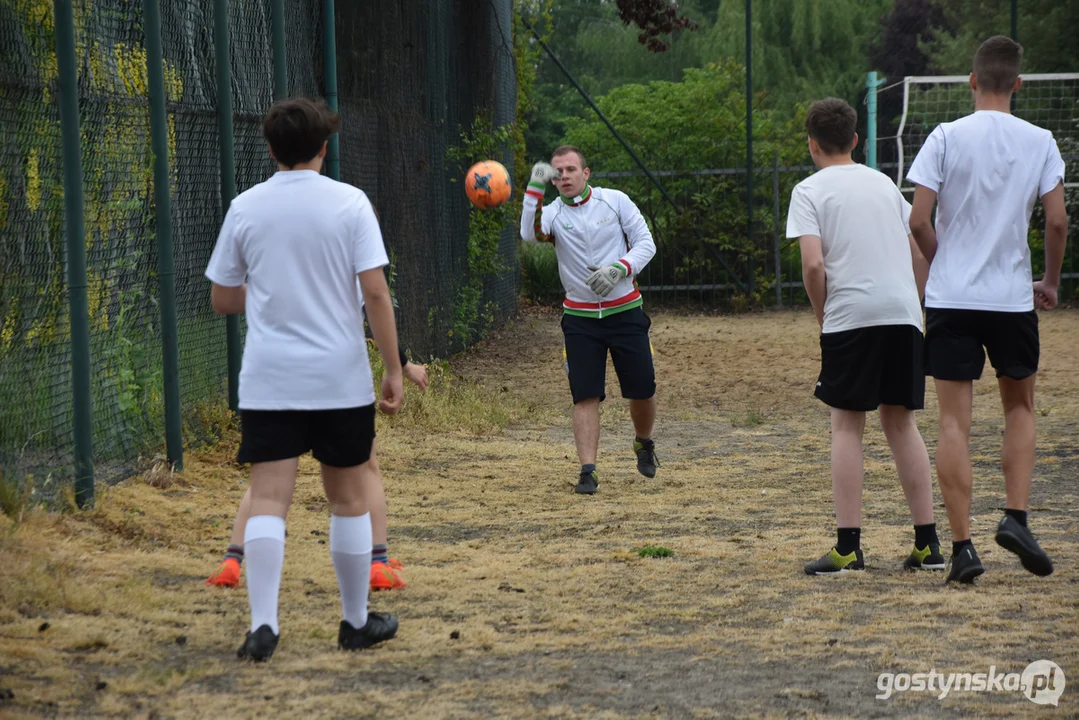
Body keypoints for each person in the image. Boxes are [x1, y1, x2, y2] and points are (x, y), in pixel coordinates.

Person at [205, 97, 402, 661]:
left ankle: (263, 627)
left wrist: (269, 292)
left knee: (268, 497)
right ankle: (355, 622)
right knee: (347, 499)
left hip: (269, 380)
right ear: (324, 146)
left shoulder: (246, 207)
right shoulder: (350, 204)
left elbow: (222, 298)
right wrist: (392, 368)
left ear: (269, 149)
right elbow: (375, 293)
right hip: (338, 380)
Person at [907, 36, 1067, 584]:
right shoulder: (1042, 140)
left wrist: (943, 262)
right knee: (1020, 409)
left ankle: (961, 549)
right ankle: (1017, 518)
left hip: (952, 298)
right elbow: (1058, 222)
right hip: (1011, 298)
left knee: (954, 421)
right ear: (1018, 85)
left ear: (971, 81)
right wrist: (1047, 279)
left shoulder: (945, 136)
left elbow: (918, 220)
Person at [787, 98, 942, 576]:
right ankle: (928, 545)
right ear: (856, 140)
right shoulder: (884, 185)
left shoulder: (808, 191)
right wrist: (910, 305)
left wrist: (823, 315)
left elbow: (813, 264)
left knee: (846, 425)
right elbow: (920, 252)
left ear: (812, 144)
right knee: (902, 424)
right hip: (902, 315)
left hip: (850, 316)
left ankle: (849, 547)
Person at [206, 350, 428, 592]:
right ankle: (378, 563)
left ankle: (232, 560)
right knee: (365, 468)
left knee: (267, 483)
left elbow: (226, 309)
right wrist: (402, 366)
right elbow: (373, 312)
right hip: (336, 376)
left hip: (281, 372)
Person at [520, 146, 659, 495]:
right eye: (557, 173)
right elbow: (530, 234)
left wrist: (619, 268)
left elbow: (646, 243)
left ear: (587, 173)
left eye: (570, 170)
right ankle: (588, 471)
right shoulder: (552, 213)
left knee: (642, 389)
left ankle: (643, 442)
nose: (563, 177)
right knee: (585, 395)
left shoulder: (615, 201)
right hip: (580, 318)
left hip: (625, 310)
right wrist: (532, 193)